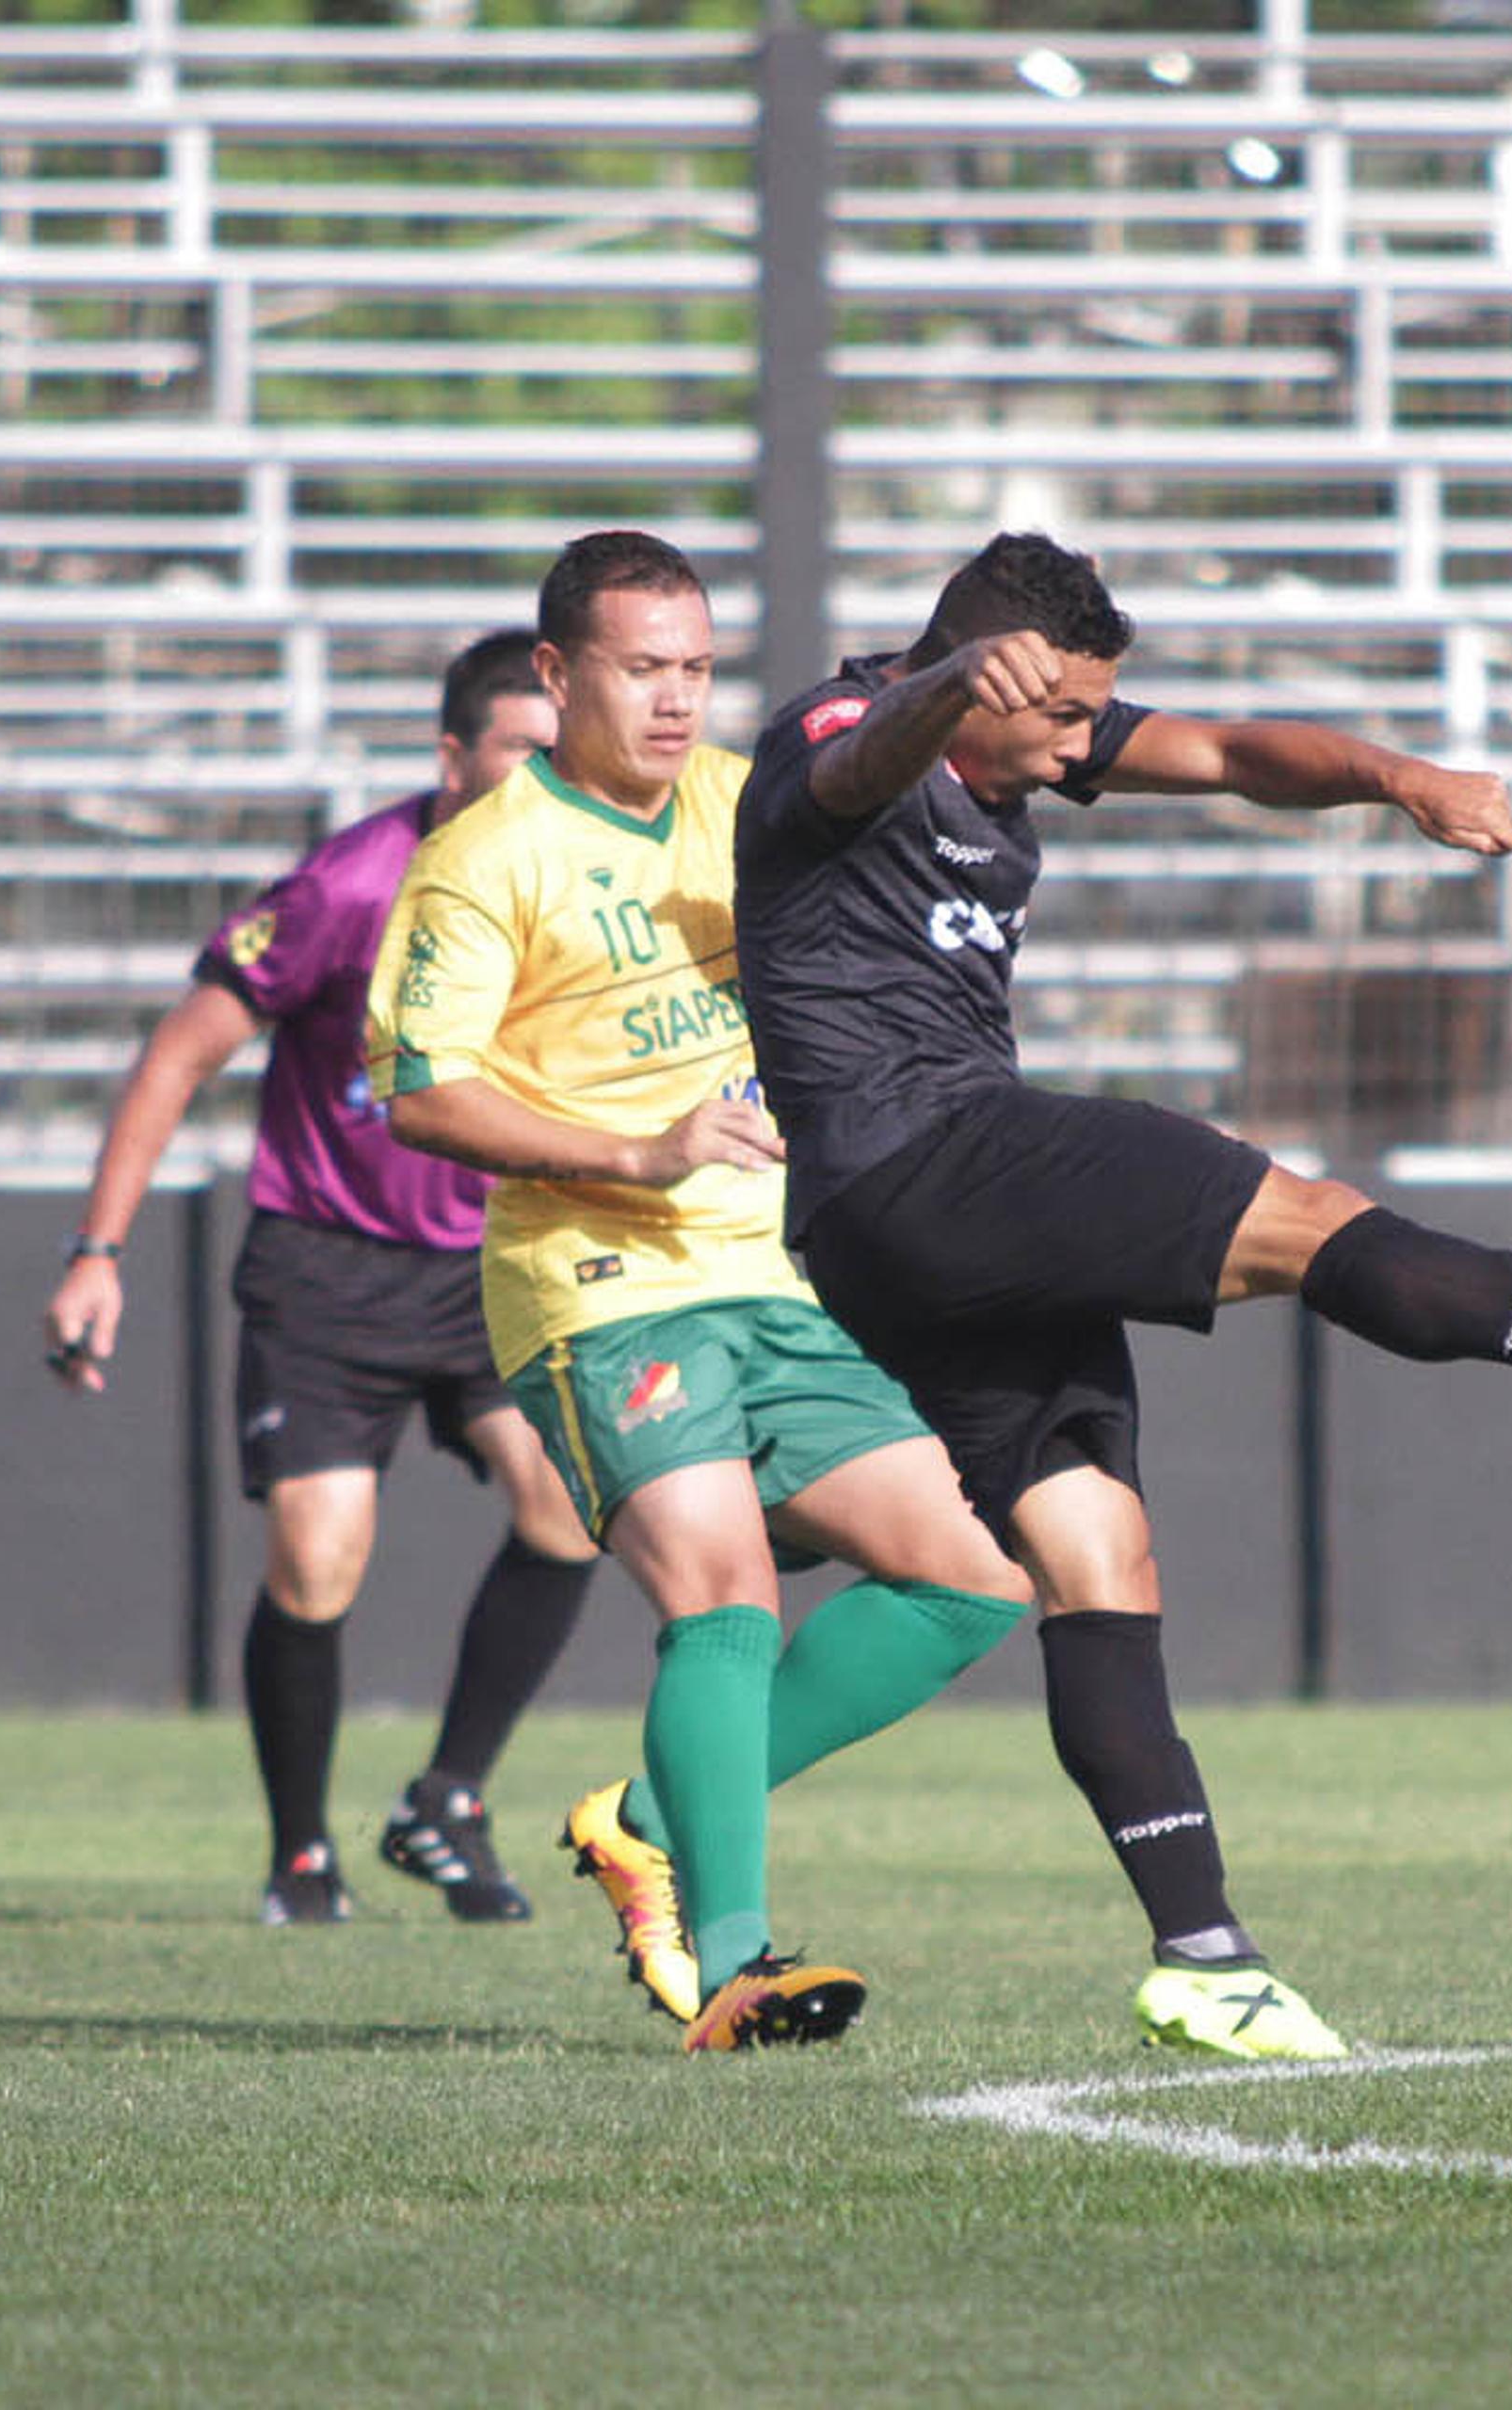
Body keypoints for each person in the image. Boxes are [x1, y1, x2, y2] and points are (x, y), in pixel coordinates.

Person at [730, 530, 1512, 2052]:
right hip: (930, 1154)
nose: (1088, 744)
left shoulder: (1026, 744)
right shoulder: (833, 738)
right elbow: (860, 764)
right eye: (1065, 714)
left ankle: (1206, 1960)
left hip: (896, 1224)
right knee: (1311, 1218)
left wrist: (1399, 779)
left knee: (1097, 1553)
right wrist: (951, 678)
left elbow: (1229, 753)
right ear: (980, 676)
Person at [364, 529, 1042, 2053]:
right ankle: (732, 1960)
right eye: (640, 670)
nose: (676, 702)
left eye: (696, 670)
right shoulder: (481, 859)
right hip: (598, 1285)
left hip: (771, 1272)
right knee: (722, 1590)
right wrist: (642, 1147)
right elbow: (422, 1096)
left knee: (977, 1569)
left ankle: (653, 1815)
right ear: (556, 676)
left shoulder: (750, 805)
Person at [42, 633, 603, 1929]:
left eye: (553, 751)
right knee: (318, 1559)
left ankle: (448, 1800)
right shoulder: (349, 885)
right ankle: (301, 1853)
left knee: (568, 1503)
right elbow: (181, 1056)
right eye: (517, 747)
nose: (538, 773)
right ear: (452, 755)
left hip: (494, 1264)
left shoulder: (572, 879)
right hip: (328, 1270)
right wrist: (97, 1254)